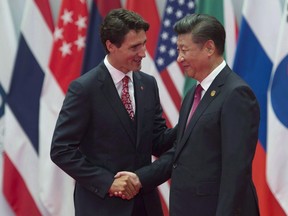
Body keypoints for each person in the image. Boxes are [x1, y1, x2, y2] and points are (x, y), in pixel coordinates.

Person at [116, 13, 260, 216]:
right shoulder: (193, 93)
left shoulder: (236, 94)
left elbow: (235, 171)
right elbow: (180, 153)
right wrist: (140, 178)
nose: (179, 58)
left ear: (209, 48)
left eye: (184, 50)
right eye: (177, 50)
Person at [50, 8, 176, 216]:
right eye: (135, 47)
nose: (143, 53)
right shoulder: (84, 89)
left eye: (144, 43)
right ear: (111, 46)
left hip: (146, 206)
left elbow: (158, 141)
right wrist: (108, 182)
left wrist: (191, 121)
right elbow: (61, 150)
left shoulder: (148, 83)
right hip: (103, 207)